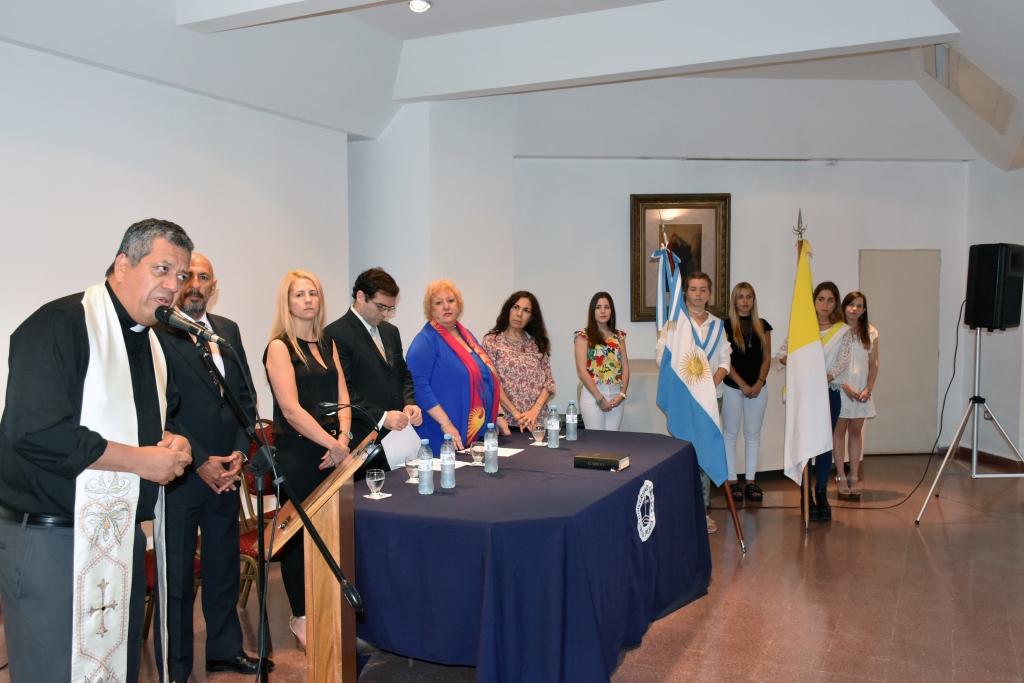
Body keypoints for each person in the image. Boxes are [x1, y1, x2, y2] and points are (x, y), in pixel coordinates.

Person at [0, 219, 194, 683]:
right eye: (162, 269)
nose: (174, 286)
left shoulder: (153, 343)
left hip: (118, 537)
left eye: (182, 275)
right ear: (123, 265)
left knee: (115, 669)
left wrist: (176, 441)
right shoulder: (60, 324)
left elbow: (157, 422)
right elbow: (34, 431)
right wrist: (140, 460)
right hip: (51, 538)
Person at [155, 253, 269, 681]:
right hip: (183, 475)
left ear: (213, 286)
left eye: (203, 277)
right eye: (188, 276)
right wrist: (200, 461)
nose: (195, 284)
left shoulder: (227, 330)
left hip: (226, 475)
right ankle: (176, 668)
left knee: (223, 570)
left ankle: (225, 651)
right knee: (179, 579)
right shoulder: (159, 332)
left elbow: (243, 396)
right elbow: (161, 410)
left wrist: (239, 453)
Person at [263, 270, 354, 651]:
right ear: (287, 303)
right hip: (300, 452)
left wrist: (343, 438)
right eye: (299, 294)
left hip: (335, 449)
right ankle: (300, 616)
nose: (307, 300)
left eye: (313, 293)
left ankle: (331, 607)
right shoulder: (279, 347)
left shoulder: (327, 342)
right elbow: (291, 409)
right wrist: (332, 444)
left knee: (335, 533)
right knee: (302, 536)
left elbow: (344, 395)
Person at [324, 267, 422, 478]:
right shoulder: (336, 334)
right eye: (380, 307)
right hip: (362, 438)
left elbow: (403, 375)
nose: (385, 314)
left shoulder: (390, 331)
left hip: (398, 438)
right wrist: (382, 416)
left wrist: (409, 403)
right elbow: (343, 392)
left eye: (390, 308)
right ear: (361, 297)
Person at [778, 281, 852, 522]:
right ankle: (806, 494)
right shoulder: (803, 329)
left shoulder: (842, 331)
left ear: (836, 304)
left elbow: (842, 364)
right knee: (805, 444)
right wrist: (802, 368)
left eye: (830, 300)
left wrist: (821, 378)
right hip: (805, 393)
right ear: (814, 301)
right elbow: (782, 354)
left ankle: (822, 492)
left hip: (828, 392)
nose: (825, 305)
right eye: (821, 299)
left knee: (823, 445)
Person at [407, 279, 507, 452]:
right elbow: (419, 387)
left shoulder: (467, 336)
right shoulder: (425, 340)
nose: (446, 306)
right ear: (431, 310)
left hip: (474, 430)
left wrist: (497, 414)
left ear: (458, 305)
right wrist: (446, 424)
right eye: (439, 303)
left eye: (450, 300)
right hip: (442, 432)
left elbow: (484, 378)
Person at [675, 274, 731, 533]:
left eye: (703, 289)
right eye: (693, 289)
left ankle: (703, 510)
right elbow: (662, 355)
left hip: (711, 398)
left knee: (706, 453)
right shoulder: (676, 323)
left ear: (710, 294)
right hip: (685, 399)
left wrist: (709, 385)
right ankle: (685, 509)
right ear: (686, 292)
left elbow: (725, 360)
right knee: (686, 453)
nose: (698, 294)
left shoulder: (718, 325)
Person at [722, 282, 773, 504]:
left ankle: (751, 481)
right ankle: (732, 481)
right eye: (741, 296)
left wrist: (760, 382)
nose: (745, 300)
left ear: (753, 300)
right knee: (730, 434)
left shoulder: (763, 325)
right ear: (734, 300)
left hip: (758, 387)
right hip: (732, 386)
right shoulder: (725, 325)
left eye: (749, 296)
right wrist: (742, 384)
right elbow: (725, 360)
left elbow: (767, 357)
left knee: (753, 434)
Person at [482, 291, 556, 432]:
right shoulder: (492, 341)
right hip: (504, 422)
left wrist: (534, 411)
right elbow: (490, 381)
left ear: (531, 317)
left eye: (526, 310)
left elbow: (549, 383)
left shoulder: (537, 344)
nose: (519, 314)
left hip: (533, 422)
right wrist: (515, 413)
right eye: (516, 307)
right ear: (508, 310)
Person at [835, 291, 879, 500]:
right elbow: (831, 364)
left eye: (859, 306)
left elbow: (874, 363)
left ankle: (854, 478)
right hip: (841, 388)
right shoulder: (836, 330)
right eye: (851, 304)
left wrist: (868, 388)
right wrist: (844, 385)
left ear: (864, 310)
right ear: (844, 306)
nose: (854, 308)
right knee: (839, 431)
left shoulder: (870, 331)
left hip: (861, 390)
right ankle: (841, 477)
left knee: (855, 431)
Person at [574, 292, 630, 432]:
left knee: (612, 441)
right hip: (593, 395)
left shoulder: (619, 336)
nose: (603, 311)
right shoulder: (583, 336)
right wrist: (600, 399)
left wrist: (622, 394)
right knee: (596, 441)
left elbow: (625, 367)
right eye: (598, 307)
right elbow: (582, 371)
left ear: (611, 311)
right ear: (592, 311)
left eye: (607, 307)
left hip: (616, 395)